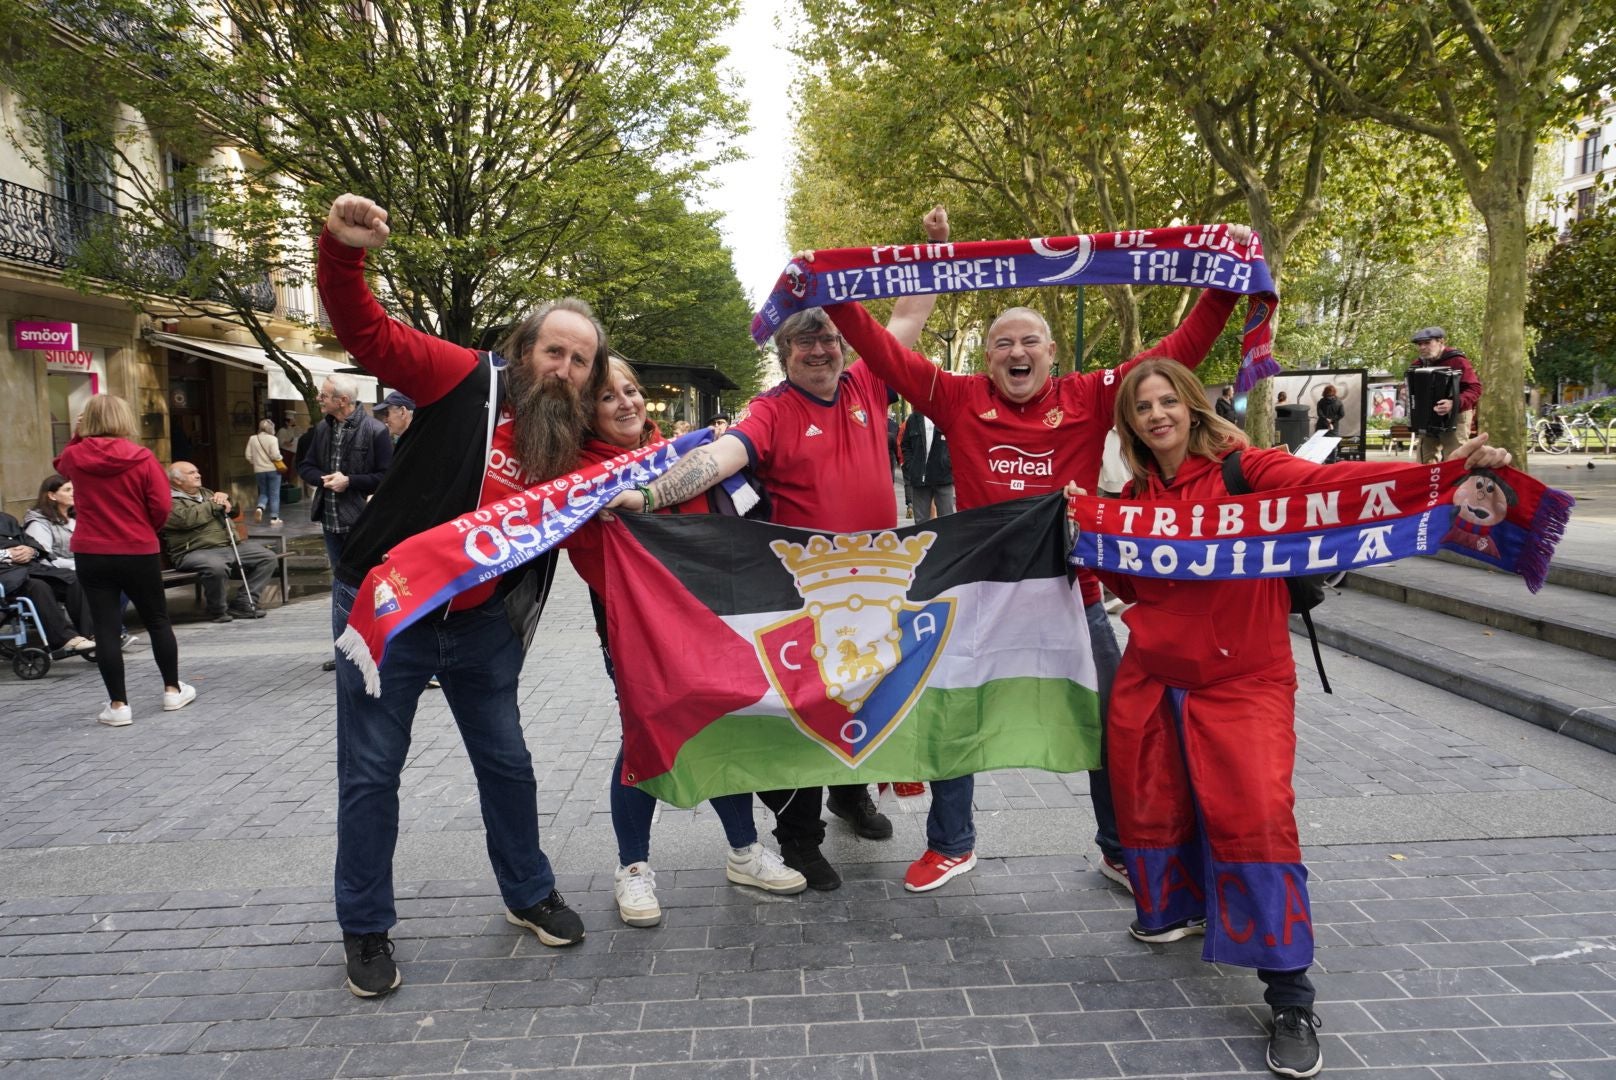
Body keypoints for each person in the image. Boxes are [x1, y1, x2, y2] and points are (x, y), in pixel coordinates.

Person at [1091, 357, 1512, 1080]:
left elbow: (1335, 486)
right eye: (1142, 407)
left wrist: (1449, 473)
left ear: (1193, 406)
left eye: (1168, 400)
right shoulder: (1130, 494)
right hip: (1155, 677)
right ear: (1129, 423)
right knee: (1154, 799)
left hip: (1243, 679)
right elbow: (1125, 579)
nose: (1156, 414)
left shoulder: (1247, 470)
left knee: (1255, 818)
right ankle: (1181, 908)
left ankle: (1290, 994)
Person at [822, 219, 1248, 894]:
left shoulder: (1091, 395)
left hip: (1070, 595)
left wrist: (1229, 286)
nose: (1015, 352)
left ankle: (1118, 848)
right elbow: (881, 352)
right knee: (953, 717)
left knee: (1111, 724)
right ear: (987, 358)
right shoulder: (955, 398)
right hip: (980, 597)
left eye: (1028, 342)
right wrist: (832, 292)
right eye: (1002, 344)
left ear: (1051, 353)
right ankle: (951, 844)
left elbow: (1180, 350)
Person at [609, 208, 955, 891]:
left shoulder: (869, 381)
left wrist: (935, 249)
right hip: (805, 596)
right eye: (803, 344)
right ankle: (799, 838)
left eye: (826, 337)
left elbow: (910, 313)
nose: (820, 350)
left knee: (870, 699)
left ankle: (854, 799)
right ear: (785, 355)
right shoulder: (771, 409)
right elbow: (720, 458)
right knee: (808, 715)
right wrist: (649, 498)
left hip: (880, 587)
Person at [316, 192, 603, 997]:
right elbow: (366, 330)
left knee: (509, 763)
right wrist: (342, 253)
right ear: (526, 348)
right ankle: (365, 927)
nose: (566, 370)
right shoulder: (464, 379)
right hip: (389, 609)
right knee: (372, 773)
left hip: (480, 628)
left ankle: (528, 892)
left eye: (581, 361)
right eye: (556, 351)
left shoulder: (569, 439)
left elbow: (629, 484)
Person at [570, 357, 807, 926]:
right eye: (608, 397)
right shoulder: (578, 477)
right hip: (637, 629)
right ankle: (633, 868)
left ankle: (744, 850)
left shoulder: (685, 455)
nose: (626, 402)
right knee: (647, 734)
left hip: (710, 621)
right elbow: (589, 560)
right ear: (586, 412)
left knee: (724, 724)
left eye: (631, 391)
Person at [54, 395, 192, 726]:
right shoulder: (143, 458)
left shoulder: (75, 455)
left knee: (104, 626)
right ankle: (172, 689)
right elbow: (161, 505)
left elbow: (60, 466)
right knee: (157, 620)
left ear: (87, 420)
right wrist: (146, 530)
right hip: (137, 549)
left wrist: (77, 436)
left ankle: (118, 706)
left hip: (91, 550)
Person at [298, 373, 393, 576]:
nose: (318, 399)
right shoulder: (324, 428)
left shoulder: (375, 430)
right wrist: (324, 480)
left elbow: (387, 478)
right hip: (329, 521)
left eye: (323, 395)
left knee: (363, 577)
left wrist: (349, 481)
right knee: (339, 577)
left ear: (342, 401)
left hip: (361, 521)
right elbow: (306, 467)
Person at [163, 463, 278, 622]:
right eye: (191, 473)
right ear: (177, 480)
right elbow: (185, 520)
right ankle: (217, 610)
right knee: (216, 567)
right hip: (194, 551)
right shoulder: (167, 500)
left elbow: (232, 512)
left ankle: (244, 602)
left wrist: (228, 502)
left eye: (197, 471)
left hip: (228, 545)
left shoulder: (206, 493)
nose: (198, 475)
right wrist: (214, 504)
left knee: (267, 558)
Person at [1409, 327, 1483, 464]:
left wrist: (1454, 403)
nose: (1422, 347)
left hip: (1456, 415)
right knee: (1425, 459)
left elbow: (1475, 388)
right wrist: (1406, 391)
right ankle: (1431, 484)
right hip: (1428, 416)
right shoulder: (1418, 364)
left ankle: (1456, 485)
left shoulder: (1457, 360)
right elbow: (1411, 386)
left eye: (1427, 343)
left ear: (1441, 341)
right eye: (1420, 344)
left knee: (1455, 458)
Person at [899, 408, 954, 522]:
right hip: (920, 478)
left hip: (943, 476)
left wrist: (948, 463)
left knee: (947, 520)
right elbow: (905, 445)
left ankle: (946, 540)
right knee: (921, 522)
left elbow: (957, 441)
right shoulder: (913, 419)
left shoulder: (947, 415)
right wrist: (911, 465)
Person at [245, 419, 285, 526]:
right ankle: (274, 518)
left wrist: (256, 462)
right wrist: (281, 457)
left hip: (259, 470)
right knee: (274, 494)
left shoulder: (253, 438)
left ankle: (260, 508)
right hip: (273, 470)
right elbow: (276, 455)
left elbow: (248, 455)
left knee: (263, 492)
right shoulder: (273, 439)